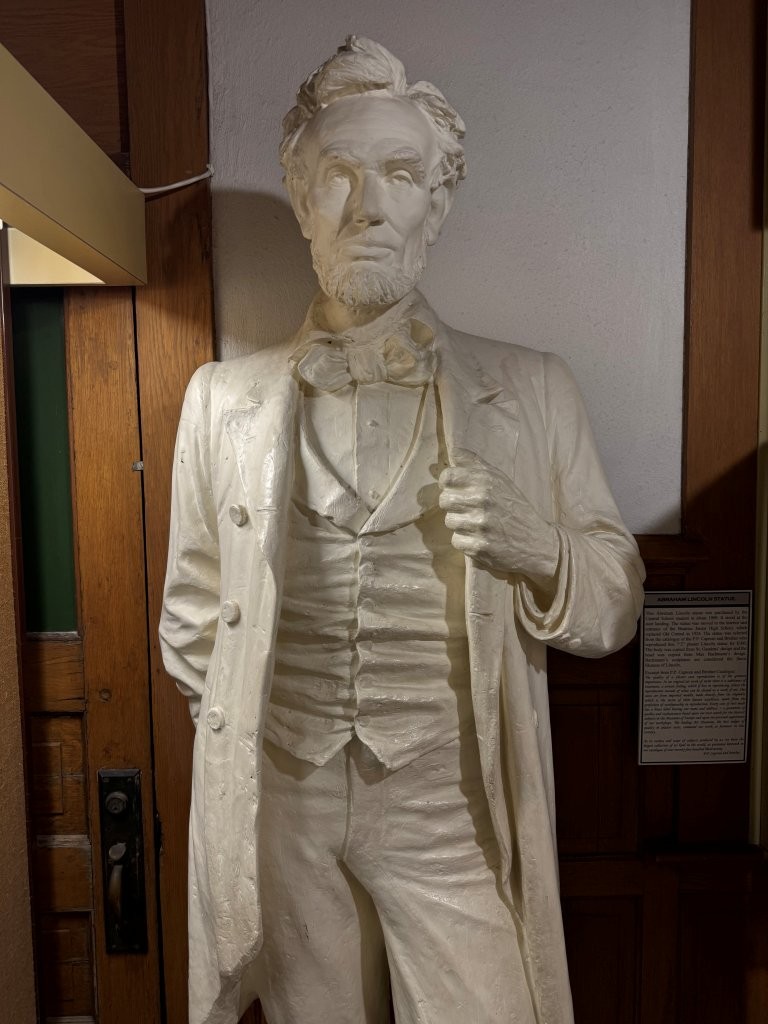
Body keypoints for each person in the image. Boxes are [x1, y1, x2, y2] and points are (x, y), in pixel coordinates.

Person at [160, 36, 645, 1024]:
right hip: (284, 806)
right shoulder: (220, 401)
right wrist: (267, 710)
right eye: (337, 176)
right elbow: (189, 620)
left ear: (437, 202)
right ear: (301, 200)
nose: (369, 206)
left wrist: (541, 552)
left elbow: (615, 602)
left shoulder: (532, 389)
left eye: (400, 174)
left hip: (449, 800)